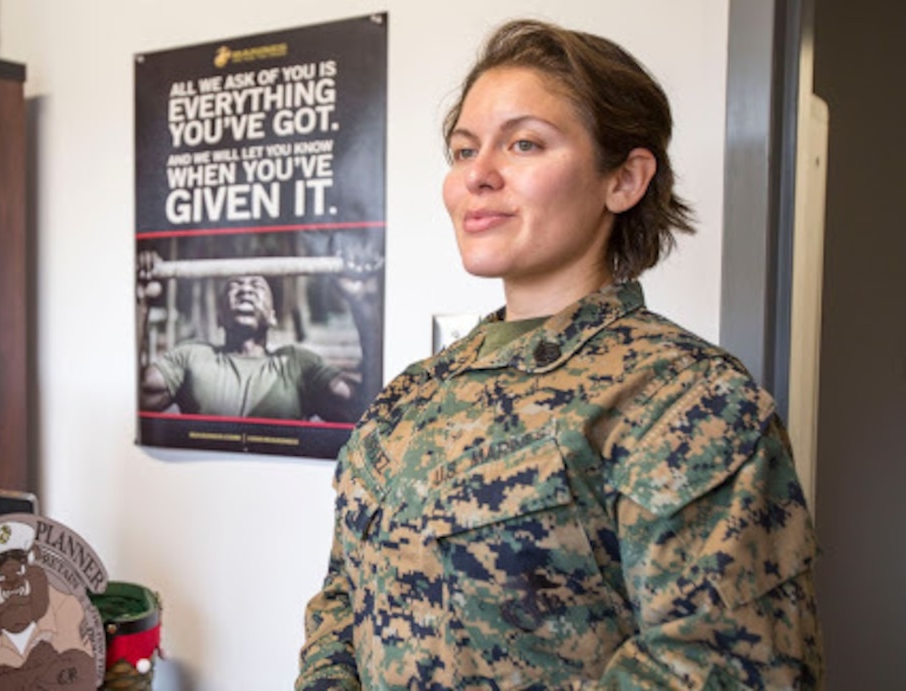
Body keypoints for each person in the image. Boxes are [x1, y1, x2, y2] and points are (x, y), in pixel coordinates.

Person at [296, 19, 822, 690]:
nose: (477, 176)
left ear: (624, 180)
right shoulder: (409, 398)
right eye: (463, 150)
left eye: (523, 143)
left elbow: (717, 666)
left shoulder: (685, 400)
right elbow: (340, 606)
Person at [138, 255, 377, 422]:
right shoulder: (192, 356)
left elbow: (365, 409)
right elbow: (137, 396)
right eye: (236, 285)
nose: (246, 290)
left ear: (272, 317)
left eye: (257, 286)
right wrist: (140, 302)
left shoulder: (296, 364)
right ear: (219, 316)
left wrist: (359, 303)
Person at [0, 520, 97, 690]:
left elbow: (83, 671)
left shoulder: (67, 608)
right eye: (1, 575)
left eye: (19, 570)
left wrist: (5, 680)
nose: (13, 583)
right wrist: (47, 667)